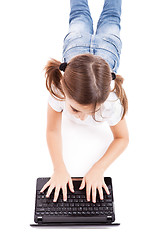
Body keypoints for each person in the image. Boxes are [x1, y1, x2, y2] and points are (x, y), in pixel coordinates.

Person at [40, 0, 129, 203]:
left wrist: (98, 168)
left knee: (111, 16)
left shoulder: (111, 101)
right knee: (79, 12)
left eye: (91, 112)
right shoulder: (58, 89)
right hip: (83, 45)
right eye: (76, 109)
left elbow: (122, 138)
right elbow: (52, 130)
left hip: (99, 48)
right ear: (63, 87)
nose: (83, 118)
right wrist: (59, 168)